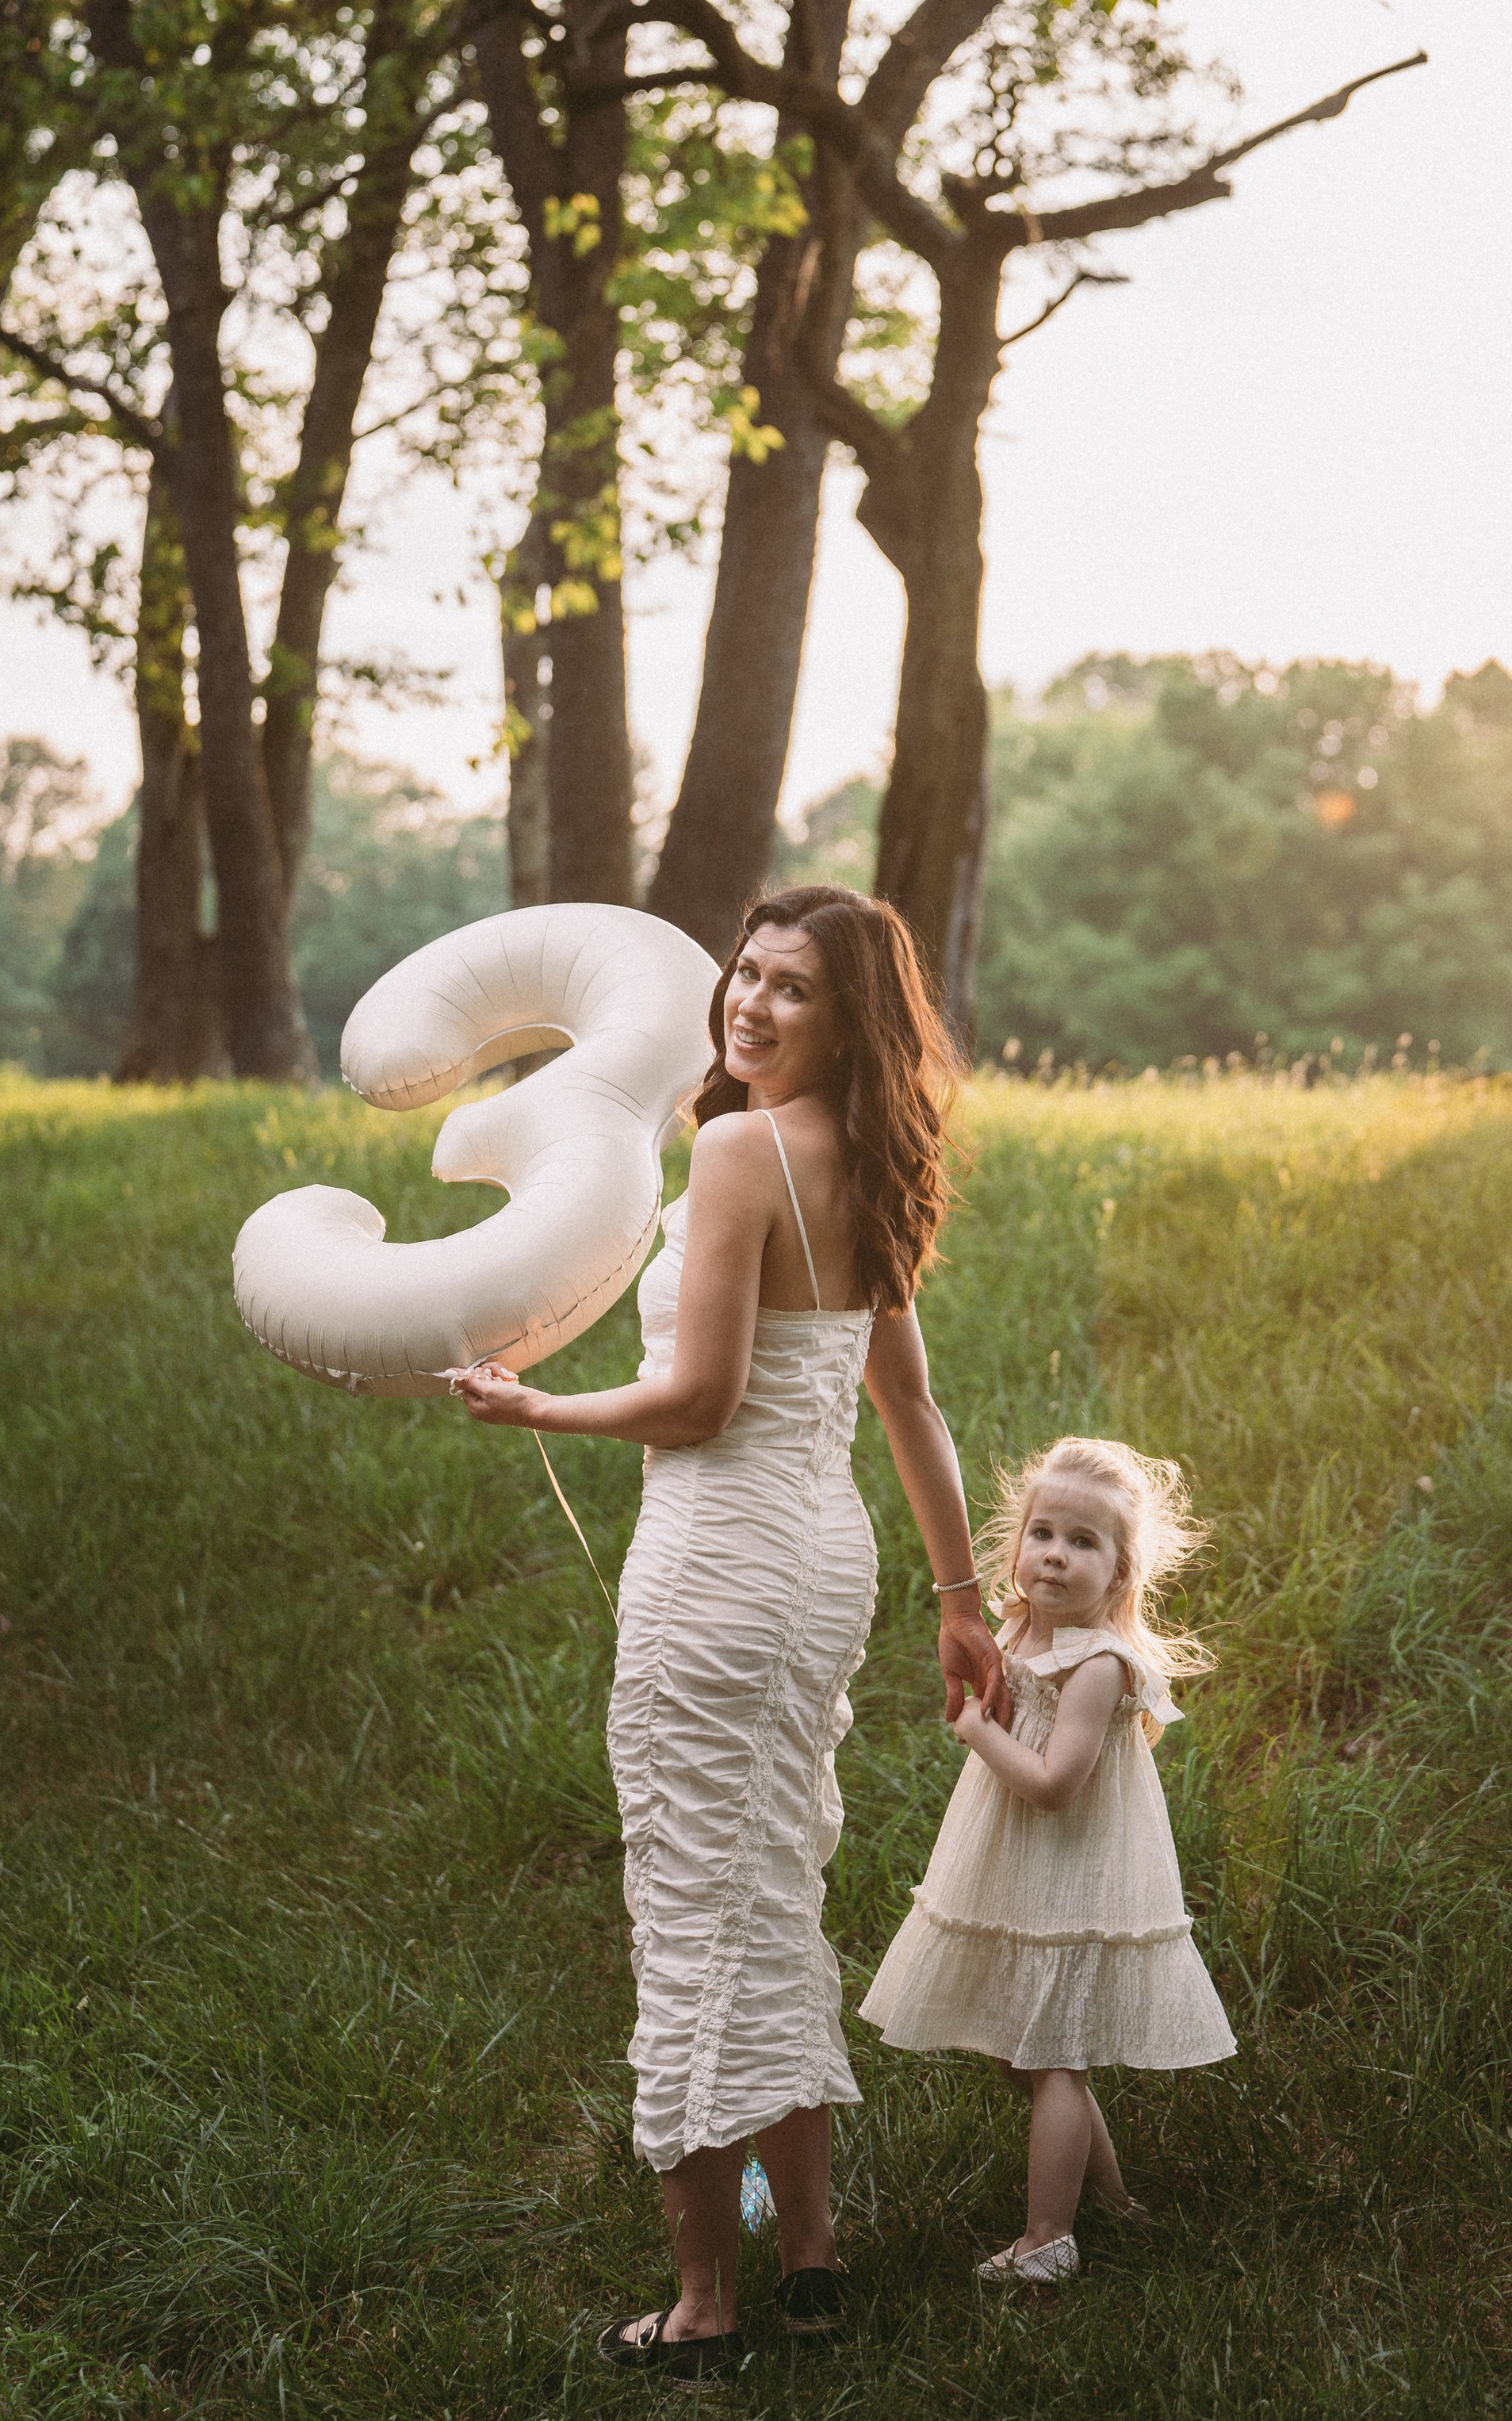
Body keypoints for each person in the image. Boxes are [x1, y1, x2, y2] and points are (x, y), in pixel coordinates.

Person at [457, 885, 1007, 2384]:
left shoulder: (741, 1151)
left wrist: (536, 1407)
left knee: (695, 1914)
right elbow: (909, 1406)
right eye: (745, 977)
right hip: (821, 1567)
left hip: (716, 1573)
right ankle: (809, 2258)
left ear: (852, 1020)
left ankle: (704, 2309)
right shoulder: (872, 1158)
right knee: (771, 1891)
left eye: (794, 991)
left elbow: (699, 1403)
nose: (752, 1007)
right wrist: (962, 1601)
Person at [859, 1435, 1236, 2285]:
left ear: (1120, 1572)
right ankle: (1111, 2202)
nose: (1055, 1557)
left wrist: (977, 1731)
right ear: (1017, 1541)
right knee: (1019, 2051)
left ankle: (1045, 2239)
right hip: (1015, 1861)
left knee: (1054, 2050)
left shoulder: (1097, 1662)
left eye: (1083, 1542)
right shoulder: (1019, 1629)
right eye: (1043, 1534)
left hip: (1070, 1862)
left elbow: (1055, 1785)